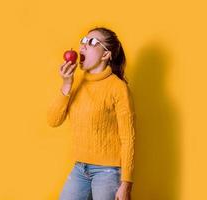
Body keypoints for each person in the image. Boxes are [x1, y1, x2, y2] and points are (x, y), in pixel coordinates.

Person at [47, 26, 136, 200]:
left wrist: (126, 184)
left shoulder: (118, 88)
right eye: (83, 41)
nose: (83, 46)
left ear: (106, 55)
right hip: (80, 168)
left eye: (92, 42)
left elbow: (128, 138)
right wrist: (66, 84)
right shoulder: (76, 82)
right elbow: (53, 120)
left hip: (108, 171)